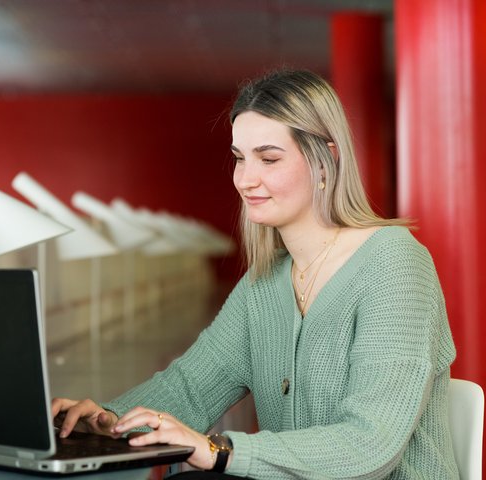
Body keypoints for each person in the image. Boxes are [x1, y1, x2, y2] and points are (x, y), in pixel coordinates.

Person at [52, 70, 459, 479]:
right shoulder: (263, 285)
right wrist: (109, 419)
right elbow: (189, 388)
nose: (245, 179)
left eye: (268, 158)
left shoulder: (395, 262)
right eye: (239, 158)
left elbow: (371, 442)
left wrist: (219, 450)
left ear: (326, 161)